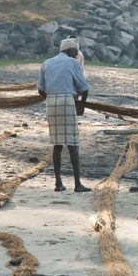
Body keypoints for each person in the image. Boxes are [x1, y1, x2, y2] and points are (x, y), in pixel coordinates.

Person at [38, 38, 91, 192]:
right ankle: (77, 184)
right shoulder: (72, 63)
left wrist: (51, 96)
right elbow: (84, 88)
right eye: (75, 52)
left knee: (57, 144)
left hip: (51, 103)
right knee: (73, 143)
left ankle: (58, 183)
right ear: (69, 50)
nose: (76, 55)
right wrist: (81, 105)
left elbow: (41, 90)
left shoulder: (46, 63)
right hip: (67, 101)